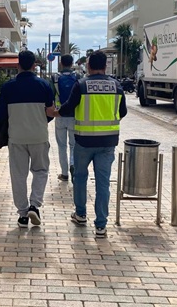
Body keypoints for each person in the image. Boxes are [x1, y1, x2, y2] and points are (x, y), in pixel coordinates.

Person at [47, 51, 127, 238]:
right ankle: (101, 225)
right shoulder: (116, 86)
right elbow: (122, 112)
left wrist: (54, 113)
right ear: (105, 66)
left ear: (89, 66)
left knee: (80, 177)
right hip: (108, 142)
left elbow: (68, 107)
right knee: (103, 183)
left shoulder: (82, 85)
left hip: (84, 141)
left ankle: (81, 214)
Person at [0, 50, 54, 228]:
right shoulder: (44, 85)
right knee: (41, 170)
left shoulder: (8, 87)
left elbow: (1, 115)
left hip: (17, 137)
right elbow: (50, 113)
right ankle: (34, 205)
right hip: (39, 136)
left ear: (18, 65)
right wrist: (40, 120)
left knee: (18, 175)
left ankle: (22, 214)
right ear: (34, 65)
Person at [50, 54, 79, 182]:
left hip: (59, 114)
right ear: (72, 63)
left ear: (61, 63)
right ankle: (73, 164)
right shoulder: (78, 77)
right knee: (73, 145)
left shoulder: (55, 77)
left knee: (62, 146)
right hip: (75, 115)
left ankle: (64, 173)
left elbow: (51, 95)